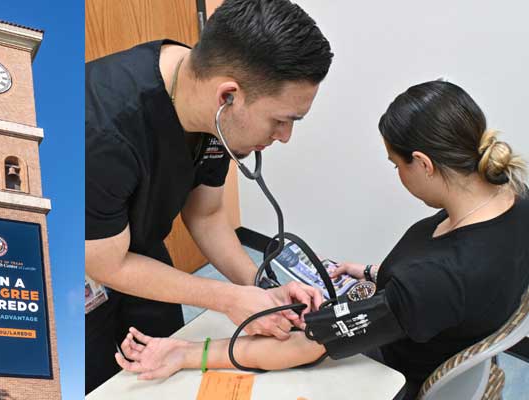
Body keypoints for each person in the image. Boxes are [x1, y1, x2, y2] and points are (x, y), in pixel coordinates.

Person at [115, 80, 529, 400]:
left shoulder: (431, 282)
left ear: (422, 164)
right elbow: (442, 278)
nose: (397, 175)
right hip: (431, 329)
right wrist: (368, 273)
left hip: (390, 370)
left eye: (395, 165)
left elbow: (306, 347)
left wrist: (188, 354)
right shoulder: (511, 199)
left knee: (265, 359)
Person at [83, 0, 334, 391]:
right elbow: (106, 264)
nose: (284, 136)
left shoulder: (203, 98)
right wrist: (227, 298)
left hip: (140, 247)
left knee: (164, 363)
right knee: (104, 383)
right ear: (227, 97)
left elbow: (206, 215)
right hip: (81, 269)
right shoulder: (100, 131)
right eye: (281, 120)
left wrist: (260, 287)